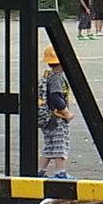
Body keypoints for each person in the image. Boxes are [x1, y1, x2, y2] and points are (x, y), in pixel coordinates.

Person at [37, 45, 74, 179]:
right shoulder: (57, 78)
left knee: (49, 146)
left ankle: (39, 171)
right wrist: (66, 113)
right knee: (60, 145)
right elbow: (55, 97)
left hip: (47, 118)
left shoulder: (48, 75)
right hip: (56, 118)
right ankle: (60, 172)